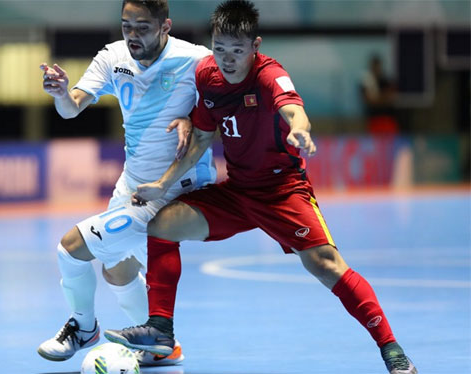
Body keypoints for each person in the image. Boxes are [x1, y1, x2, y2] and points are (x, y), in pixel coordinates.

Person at [103, 1, 417, 373]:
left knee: (326, 264)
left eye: (237, 51)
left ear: (256, 46)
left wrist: (300, 128)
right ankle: (161, 330)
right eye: (220, 49)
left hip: (283, 191)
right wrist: (162, 184)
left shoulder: (270, 75)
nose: (227, 60)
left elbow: (291, 107)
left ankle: (392, 350)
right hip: (238, 192)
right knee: (162, 225)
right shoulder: (207, 77)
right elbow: (201, 140)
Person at [37, 0, 216, 366]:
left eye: (142, 27)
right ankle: (161, 346)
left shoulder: (195, 59)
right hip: (132, 184)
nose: (132, 35)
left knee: (70, 248)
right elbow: (71, 108)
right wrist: (60, 93)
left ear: (165, 26)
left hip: (175, 190)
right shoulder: (112, 57)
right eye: (126, 26)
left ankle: (84, 328)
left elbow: (222, 107)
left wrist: (191, 119)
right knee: (116, 267)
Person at [360, 54, 399, 134]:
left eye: (377, 66)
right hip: (374, 119)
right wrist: (382, 98)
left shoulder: (386, 81)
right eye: (374, 66)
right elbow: (369, 100)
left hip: (388, 118)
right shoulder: (366, 82)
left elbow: (391, 98)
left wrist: (377, 98)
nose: (376, 69)